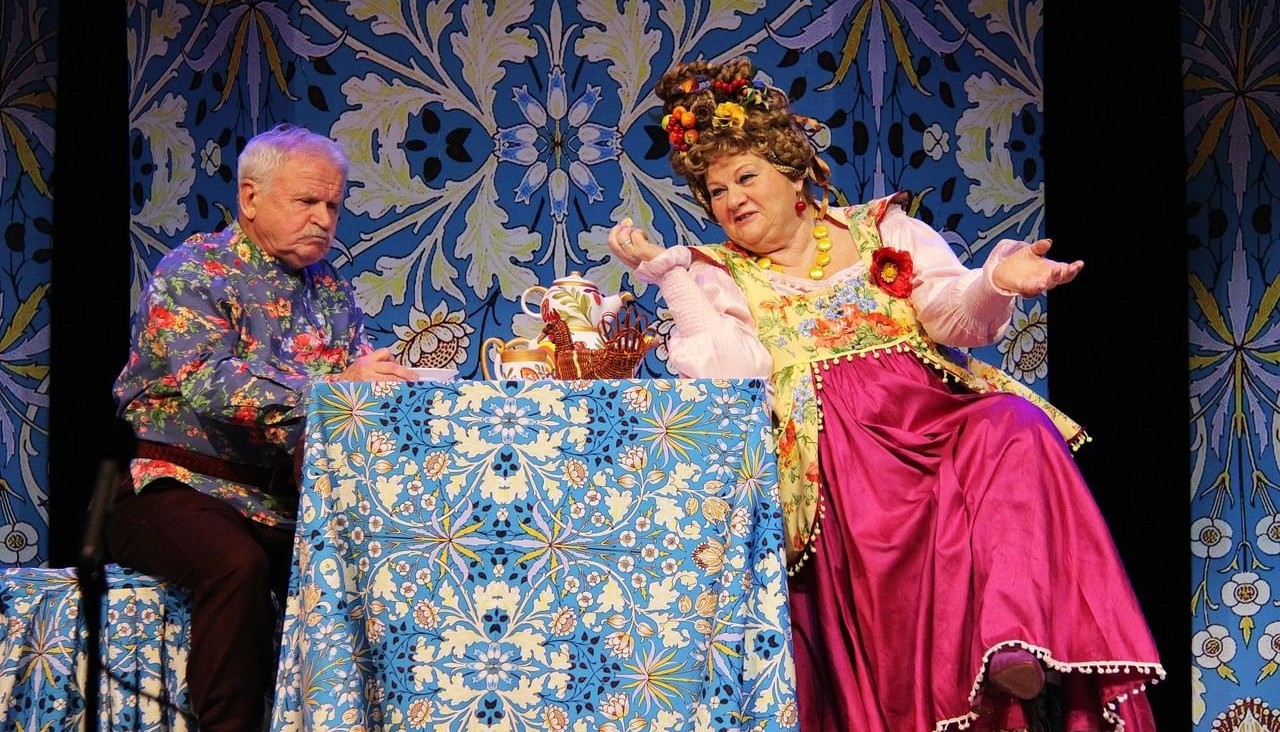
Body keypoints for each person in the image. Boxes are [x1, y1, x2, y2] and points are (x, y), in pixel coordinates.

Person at [607, 58, 1164, 732]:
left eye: (745, 177)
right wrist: (670, 276)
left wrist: (996, 281)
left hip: (936, 425)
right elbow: (731, 374)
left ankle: (1012, 639)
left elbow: (953, 315)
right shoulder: (718, 272)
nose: (731, 200)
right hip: (842, 465)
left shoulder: (884, 231)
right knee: (873, 523)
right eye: (715, 190)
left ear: (792, 171)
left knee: (1014, 424)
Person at [108, 123, 414, 731]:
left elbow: (354, 396)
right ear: (250, 197)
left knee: (376, 570)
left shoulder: (331, 291)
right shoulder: (194, 270)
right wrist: (336, 387)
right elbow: (210, 381)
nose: (323, 218)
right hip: (170, 486)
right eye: (307, 201)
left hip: (278, 502)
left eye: (333, 205)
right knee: (235, 565)